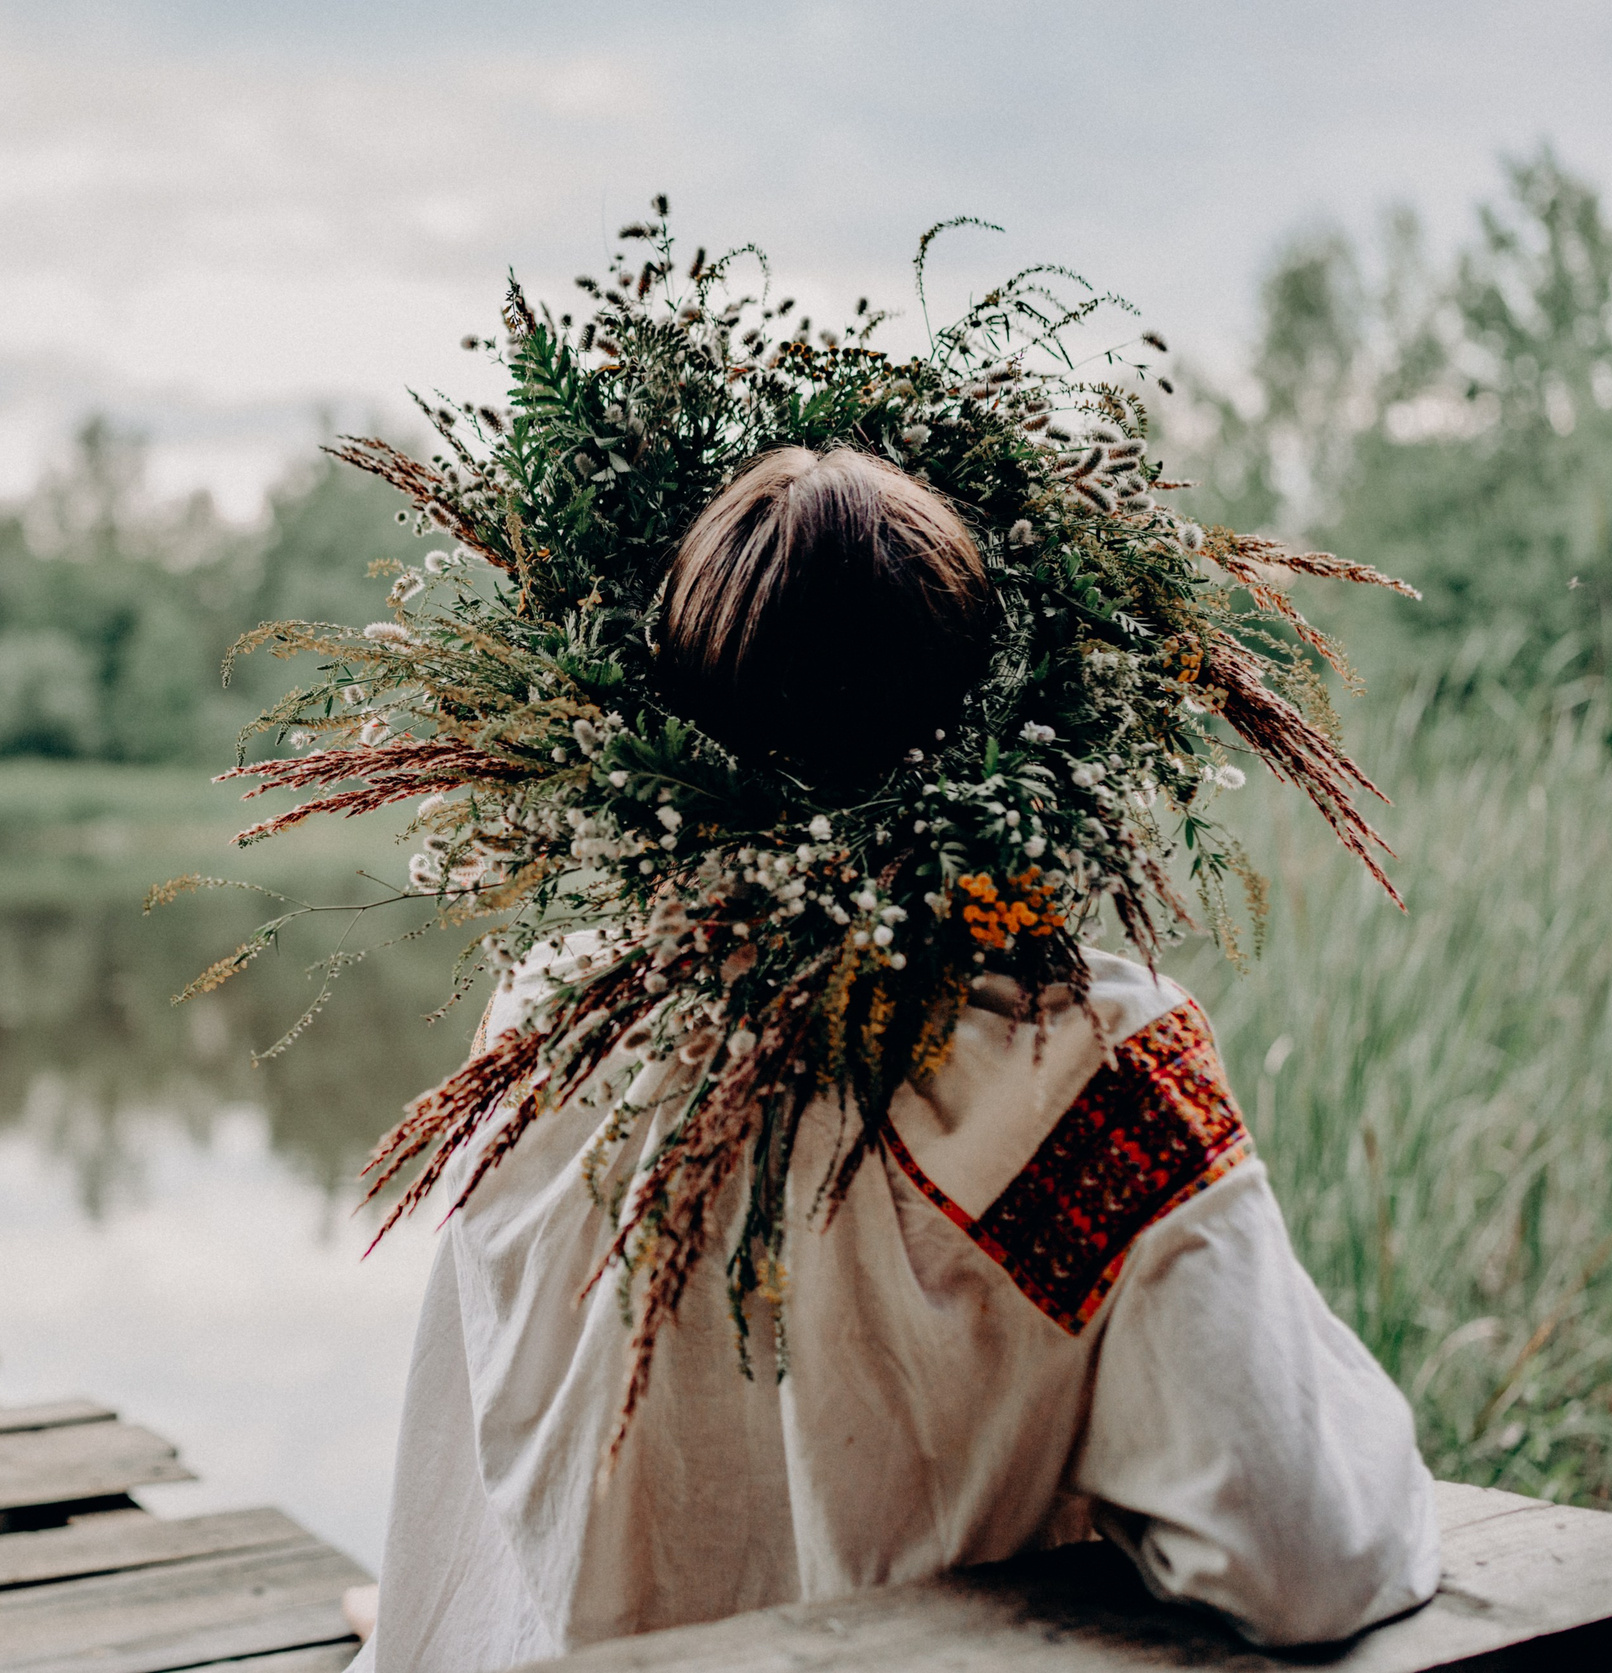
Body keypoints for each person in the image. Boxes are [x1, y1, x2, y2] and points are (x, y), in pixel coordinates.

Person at [344, 448, 1440, 1671]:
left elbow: (464, 1469)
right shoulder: (1082, 1070)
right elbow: (1301, 1555)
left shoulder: (552, 1017)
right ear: (978, 707)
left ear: (676, 702)